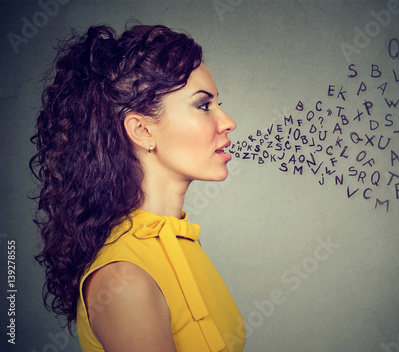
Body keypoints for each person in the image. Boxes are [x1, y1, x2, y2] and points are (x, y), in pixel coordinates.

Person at [30, 24, 245, 352]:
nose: (227, 121)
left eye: (218, 104)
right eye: (204, 105)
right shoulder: (123, 280)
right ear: (143, 130)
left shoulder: (180, 242)